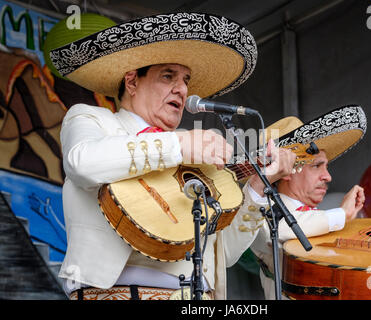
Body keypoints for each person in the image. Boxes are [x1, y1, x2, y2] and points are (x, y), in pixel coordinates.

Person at [46, 13, 296, 300]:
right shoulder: (94, 119)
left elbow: (223, 253)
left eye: (186, 79)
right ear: (131, 82)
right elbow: (82, 163)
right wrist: (179, 144)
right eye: (168, 76)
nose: (183, 89)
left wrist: (258, 188)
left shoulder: (195, 158)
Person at [248, 112, 371, 300]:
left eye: (326, 167)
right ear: (286, 171)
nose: (328, 177)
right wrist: (343, 214)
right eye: (317, 166)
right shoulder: (259, 213)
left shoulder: (316, 220)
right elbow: (278, 230)